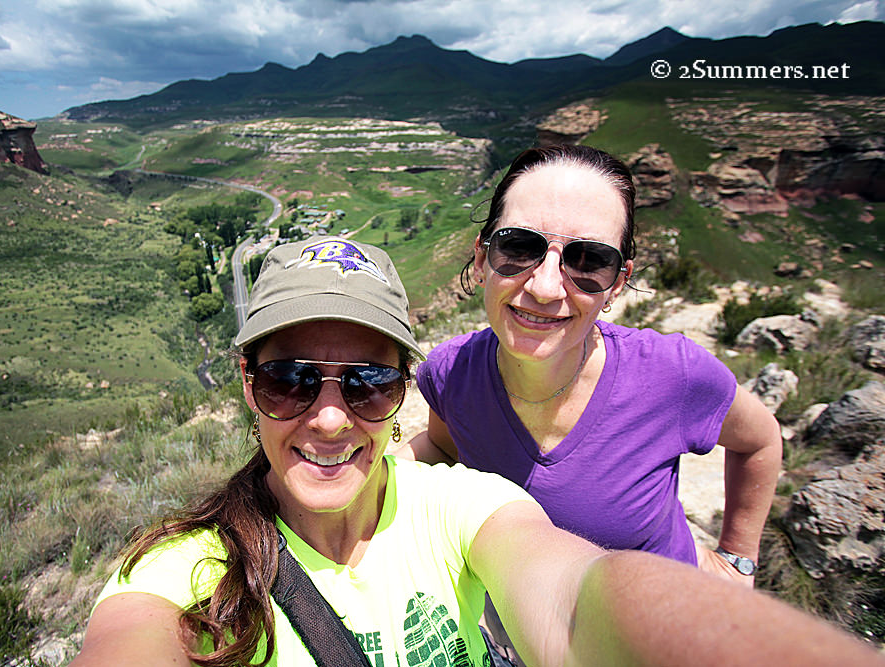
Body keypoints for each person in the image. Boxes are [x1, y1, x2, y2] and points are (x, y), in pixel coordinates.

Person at [70, 237, 878, 667]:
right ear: (247, 385)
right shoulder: (183, 569)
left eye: (365, 385)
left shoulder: (455, 504)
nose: (325, 418)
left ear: (401, 393)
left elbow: (574, 598)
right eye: (288, 380)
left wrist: (736, 595)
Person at [402, 145, 784, 663]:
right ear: (481, 256)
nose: (543, 286)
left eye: (588, 260)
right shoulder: (451, 374)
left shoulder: (672, 376)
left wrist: (738, 561)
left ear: (616, 284)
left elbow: (760, 441)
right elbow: (446, 449)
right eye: (518, 247)